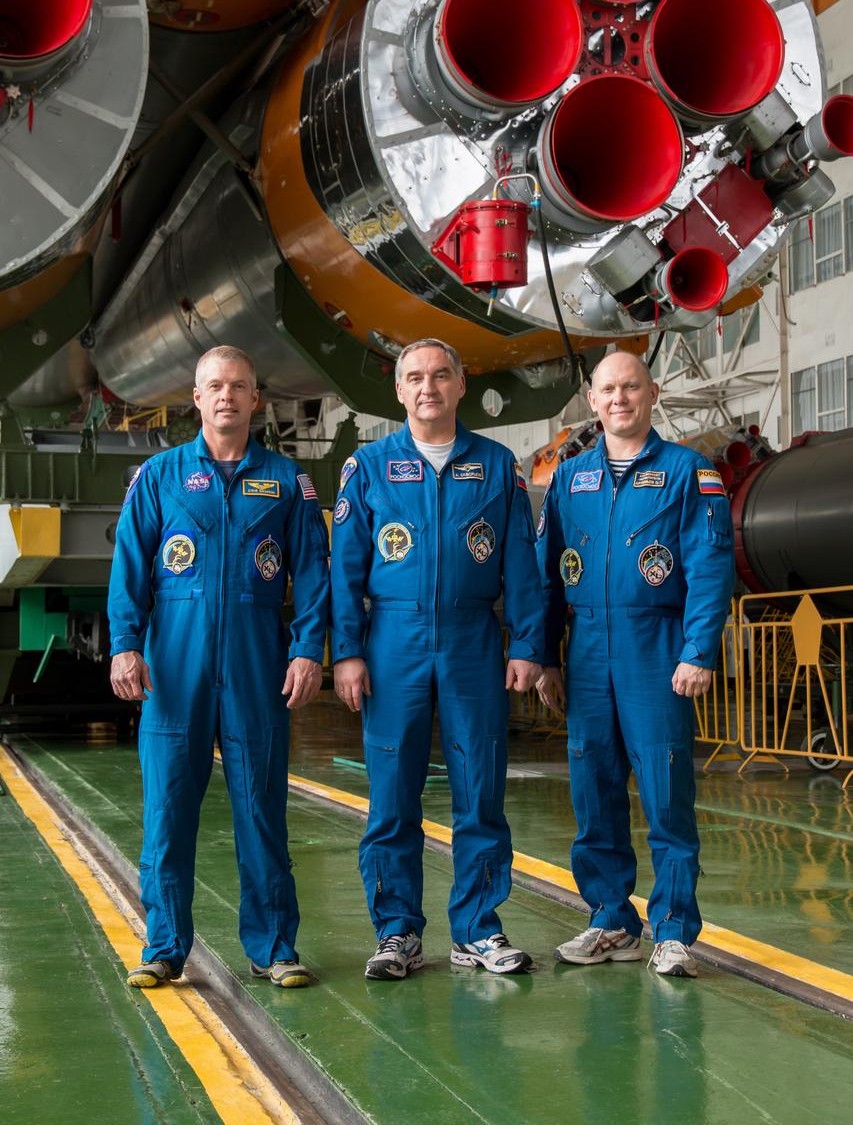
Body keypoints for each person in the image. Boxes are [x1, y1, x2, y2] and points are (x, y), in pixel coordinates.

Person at [108, 346, 329, 989]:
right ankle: (164, 946)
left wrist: (307, 648)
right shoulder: (158, 477)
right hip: (174, 667)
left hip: (257, 664)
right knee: (168, 810)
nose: (227, 395)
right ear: (196, 399)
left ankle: (274, 947)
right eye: (214, 386)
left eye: (239, 385)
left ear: (256, 399)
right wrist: (126, 645)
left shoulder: (287, 482)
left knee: (261, 809)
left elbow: (313, 578)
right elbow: (129, 568)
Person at [330, 339, 542, 979]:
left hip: (473, 637)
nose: (428, 387)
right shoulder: (367, 467)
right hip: (392, 639)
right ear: (399, 391)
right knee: (393, 796)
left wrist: (528, 645)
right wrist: (346, 652)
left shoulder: (497, 465)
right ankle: (397, 932)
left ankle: (477, 929)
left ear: (460, 385)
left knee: (481, 789)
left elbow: (522, 567)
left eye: (441, 376)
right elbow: (343, 570)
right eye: (415, 377)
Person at [536, 350, 734, 977]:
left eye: (631, 387)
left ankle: (673, 930)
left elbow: (709, 568)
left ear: (652, 394)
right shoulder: (569, 480)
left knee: (666, 793)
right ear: (591, 401)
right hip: (588, 653)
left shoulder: (689, 473)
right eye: (607, 390)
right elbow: (547, 575)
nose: (619, 399)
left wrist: (698, 650)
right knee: (592, 792)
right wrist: (545, 658)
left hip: (658, 649)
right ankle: (610, 920)